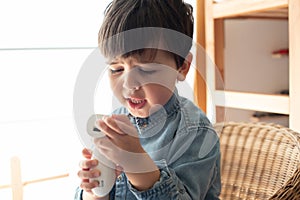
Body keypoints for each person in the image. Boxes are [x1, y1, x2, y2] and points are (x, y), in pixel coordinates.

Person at [75, 0, 221, 199]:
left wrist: (137, 164)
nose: (128, 84)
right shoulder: (117, 121)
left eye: (146, 70)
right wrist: (94, 189)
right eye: (116, 69)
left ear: (182, 67)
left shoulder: (196, 133)